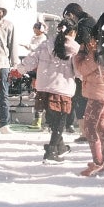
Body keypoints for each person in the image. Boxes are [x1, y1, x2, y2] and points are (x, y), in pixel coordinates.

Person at [19, 15, 78, 162]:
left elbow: (31, 59)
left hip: (44, 87)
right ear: (72, 32)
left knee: (52, 119)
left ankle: (61, 146)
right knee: (60, 121)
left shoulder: (46, 44)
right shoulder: (74, 48)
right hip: (61, 88)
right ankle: (51, 151)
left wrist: (19, 69)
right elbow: (79, 70)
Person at [71, 21, 104, 177]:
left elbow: (82, 68)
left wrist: (80, 54)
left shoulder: (96, 53)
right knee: (102, 128)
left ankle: (98, 162)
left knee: (90, 128)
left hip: (97, 95)